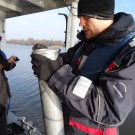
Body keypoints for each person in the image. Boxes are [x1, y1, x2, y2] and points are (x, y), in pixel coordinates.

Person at [31, 0, 135, 134]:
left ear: (103, 16)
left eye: (86, 17)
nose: (81, 23)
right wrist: (46, 61)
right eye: (80, 18)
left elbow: (111, 109)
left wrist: (55, 74)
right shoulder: (83, 45)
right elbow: (63, 62)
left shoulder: (129, 53)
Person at [0, 36, 19, 135]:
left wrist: (12, 64)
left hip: (3, 90)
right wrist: (6, 62)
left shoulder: (1, 53)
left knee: (4, 113)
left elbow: (6, 68)